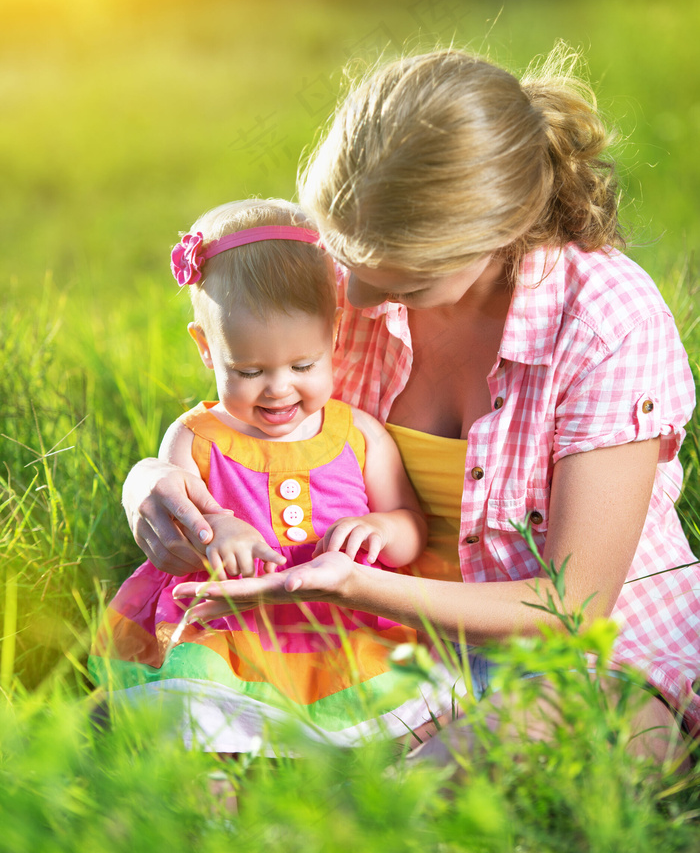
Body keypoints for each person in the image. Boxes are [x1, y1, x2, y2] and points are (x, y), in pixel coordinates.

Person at [123, 48, 699, 765]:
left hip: (574, 652)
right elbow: (248, 410)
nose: (355, 301)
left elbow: (571, 612)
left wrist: (359, 584)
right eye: (347, 261)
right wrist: (148, 481)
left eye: (401, 284)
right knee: (134, 734)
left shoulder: (605, 320)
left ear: (495, 236)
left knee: (477, 770)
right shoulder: (358, 261)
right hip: (378, 641)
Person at [90, 198, 461, 753]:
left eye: (303, 366)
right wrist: (214, 532)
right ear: (205, 348)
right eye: (249, 371)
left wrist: (380, 530)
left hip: (341, 622)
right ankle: (217, 774)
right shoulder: (196, 437)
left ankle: (349, 758)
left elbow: (411, 524)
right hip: (229, 628)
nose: (278, 388)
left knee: (394, 698)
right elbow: (171, 531)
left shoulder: (357, 435)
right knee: (197, 698)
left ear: (335, 339)